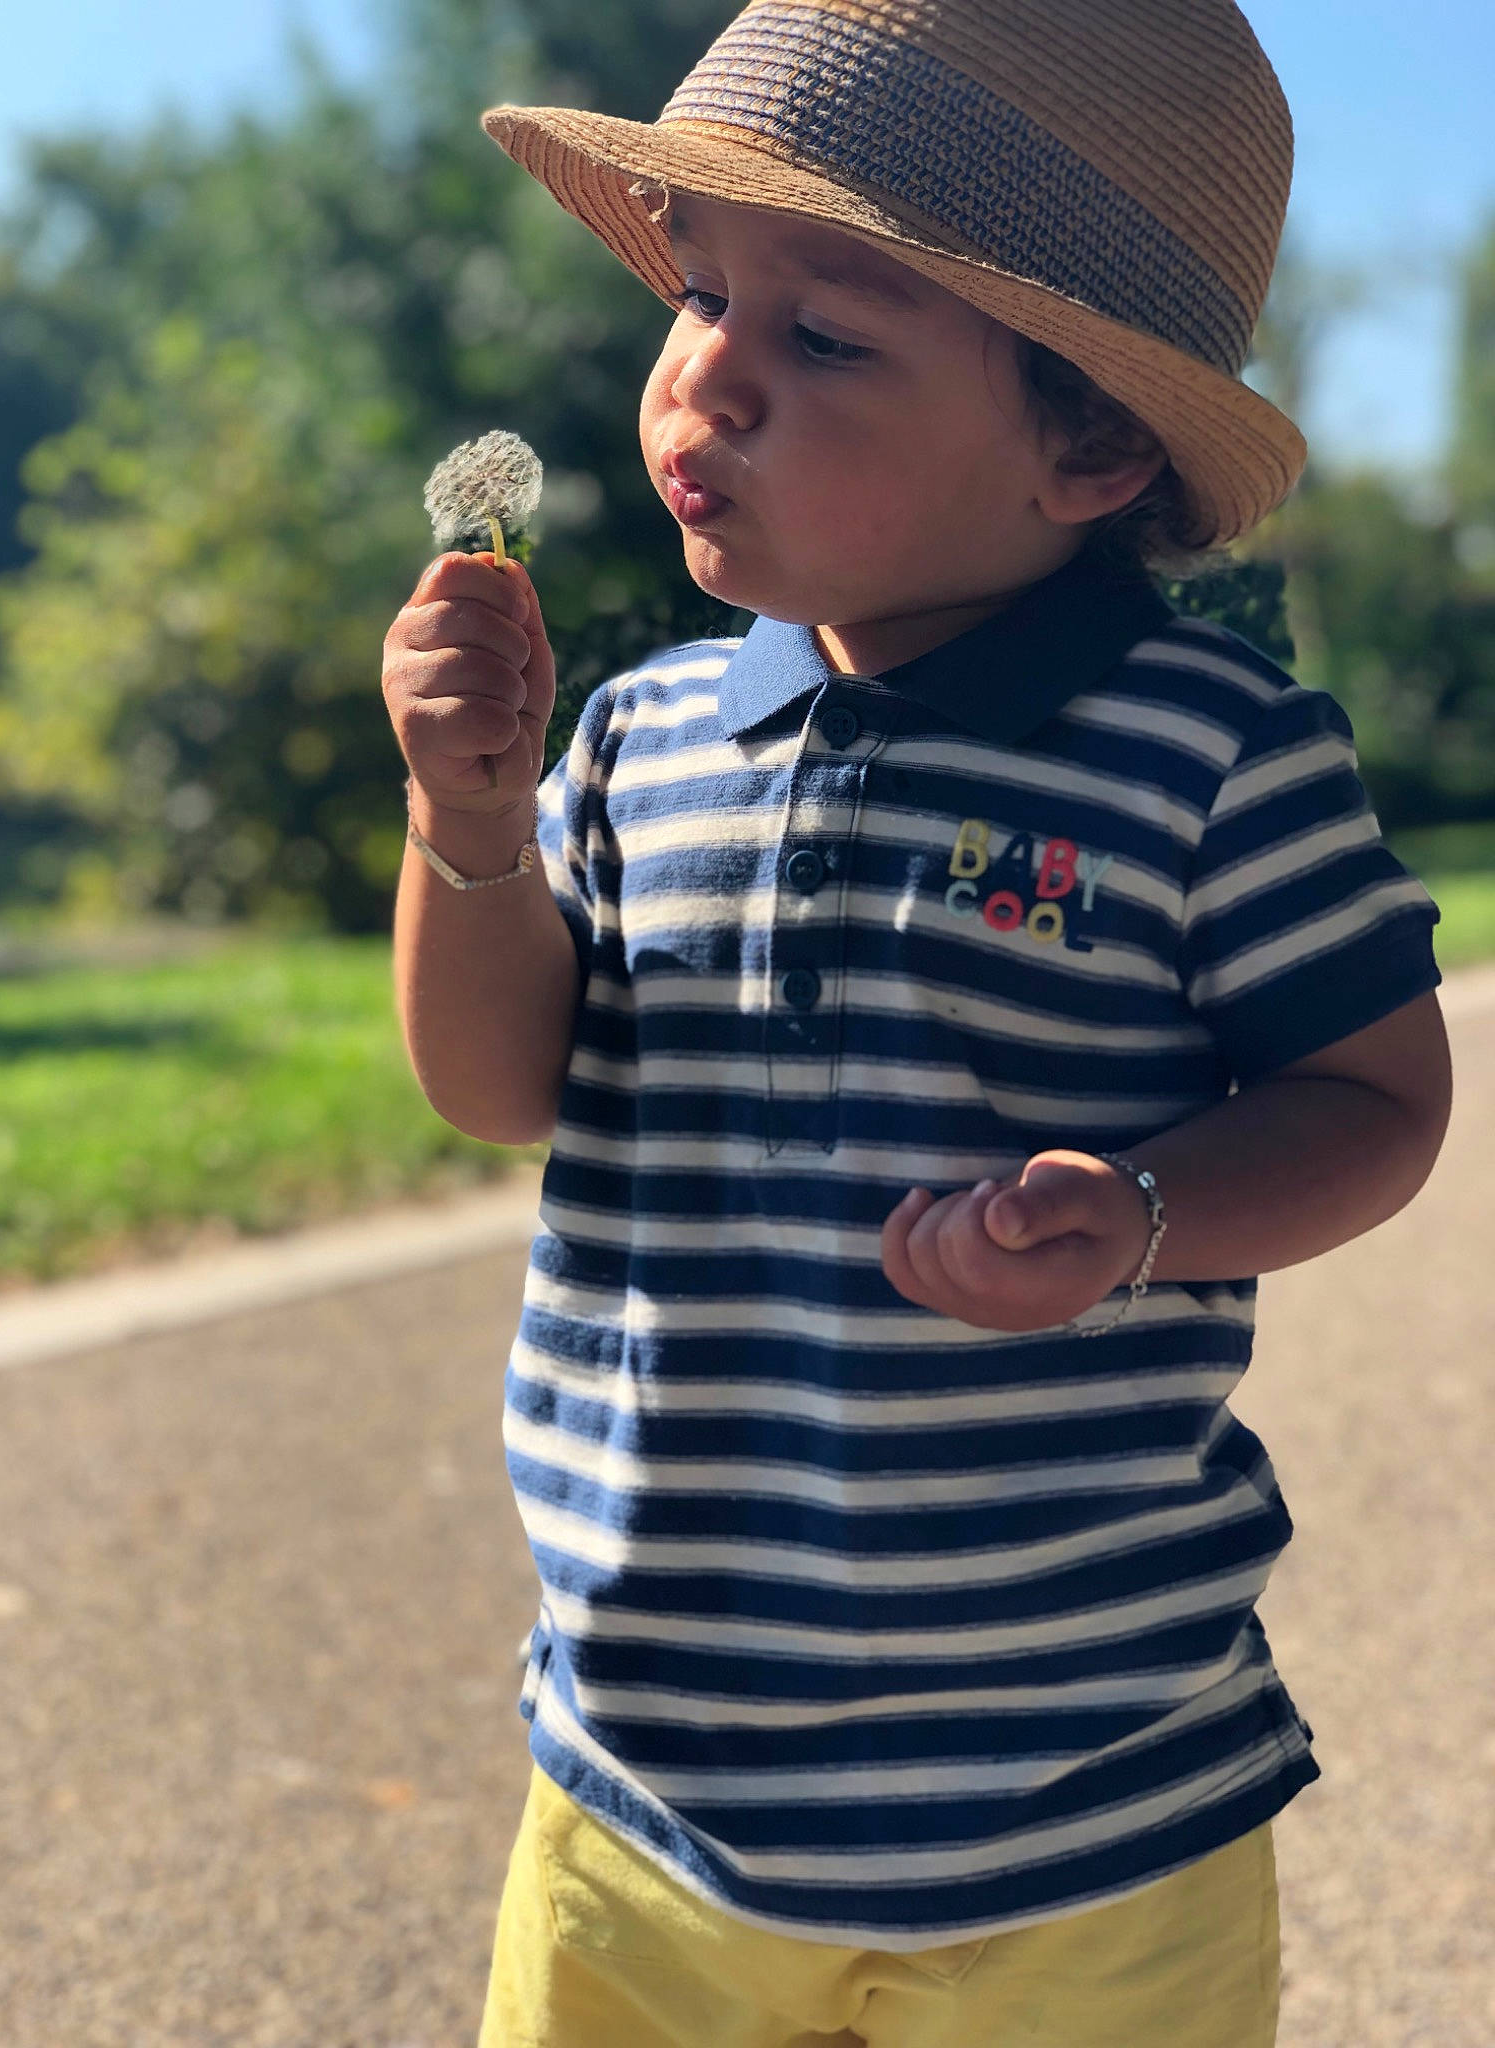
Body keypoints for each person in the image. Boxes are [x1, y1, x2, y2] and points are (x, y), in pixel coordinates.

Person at [381, 4, 1452, 2042]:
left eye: (830, 336)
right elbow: (497, 1083)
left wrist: (1143, 1204)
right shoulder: (631, 739)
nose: (714, 374)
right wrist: (466, 826)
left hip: (1087, 1808)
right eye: (700, 294)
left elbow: (1379, 1094)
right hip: (648, 1778)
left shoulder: (1209, 756)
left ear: (1093, 445)